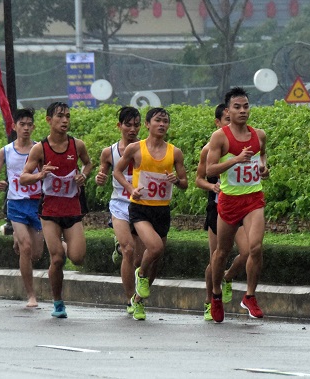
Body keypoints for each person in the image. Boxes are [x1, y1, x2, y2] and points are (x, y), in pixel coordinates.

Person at [114, 107, 188, 321]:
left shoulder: (175, 152)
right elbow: (118, 172)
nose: (162, 124)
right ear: (147, 124)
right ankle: (140, 276)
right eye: (157, 120)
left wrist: (177, 180)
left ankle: (138, 301)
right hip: (140, 209)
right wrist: (131, 189)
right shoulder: (136, 149)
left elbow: (184, 183)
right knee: (155, 247)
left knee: (156, 259)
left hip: (161, 210)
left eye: (165, 121)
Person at [19, 102, 92, 318]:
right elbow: (24, 177)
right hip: (50, 210)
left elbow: (88, 164)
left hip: (72, 208)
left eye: (68, 116)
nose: (65, 120)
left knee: (78, 258)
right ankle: (58, 302)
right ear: (49, 120)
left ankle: (59, 243)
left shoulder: (77, 145)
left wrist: (84, 175)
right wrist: (39, 176)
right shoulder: (40, 148)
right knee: (58, 258)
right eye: (60, 116)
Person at [206, 87, 269, 322]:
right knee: (221, 252)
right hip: (230, 201)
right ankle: (215, 294)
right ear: (228, 111)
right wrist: (235, 160)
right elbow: (210, 170)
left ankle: (250, 296)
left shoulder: (259, 135)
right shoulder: (220, 137)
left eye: (246, 106)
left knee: (255, 248)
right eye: (237, 107)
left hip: (253, 198)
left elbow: (262, 155)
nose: (243, 111)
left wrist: (263, 168)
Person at [197, 103, 248, 321]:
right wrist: (212, 187)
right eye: (227, 120)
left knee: (247, 251)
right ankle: (210, 301)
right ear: (218, 123)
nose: (232, 123)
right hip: (217, 207)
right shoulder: (209, 149)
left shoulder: (245, 144)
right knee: (216, 257)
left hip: (240, 205)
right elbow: (199, 179)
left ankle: (227, 277)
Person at [0, 108, 44, 307]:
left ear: (34, 127)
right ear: (14, 126)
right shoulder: (6, 150)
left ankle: (16, 239)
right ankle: (31, 295)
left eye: (30, 124)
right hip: (15, 203)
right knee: (26, 248)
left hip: (36, 202)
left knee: (37, 253)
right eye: (22, 124)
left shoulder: (39, 148)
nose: (26, 128)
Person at [94, 106, 145, 315]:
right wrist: (100, 178)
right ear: (119, 126)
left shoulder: (147, 148)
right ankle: (130, 299)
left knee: (140, 259)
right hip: (120, 205)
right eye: (128, 125)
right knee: (129, 251)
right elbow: (102, 175)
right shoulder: (110, 152)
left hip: (143, 204)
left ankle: (120, 250)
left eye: (136, 125)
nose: (132, 129)